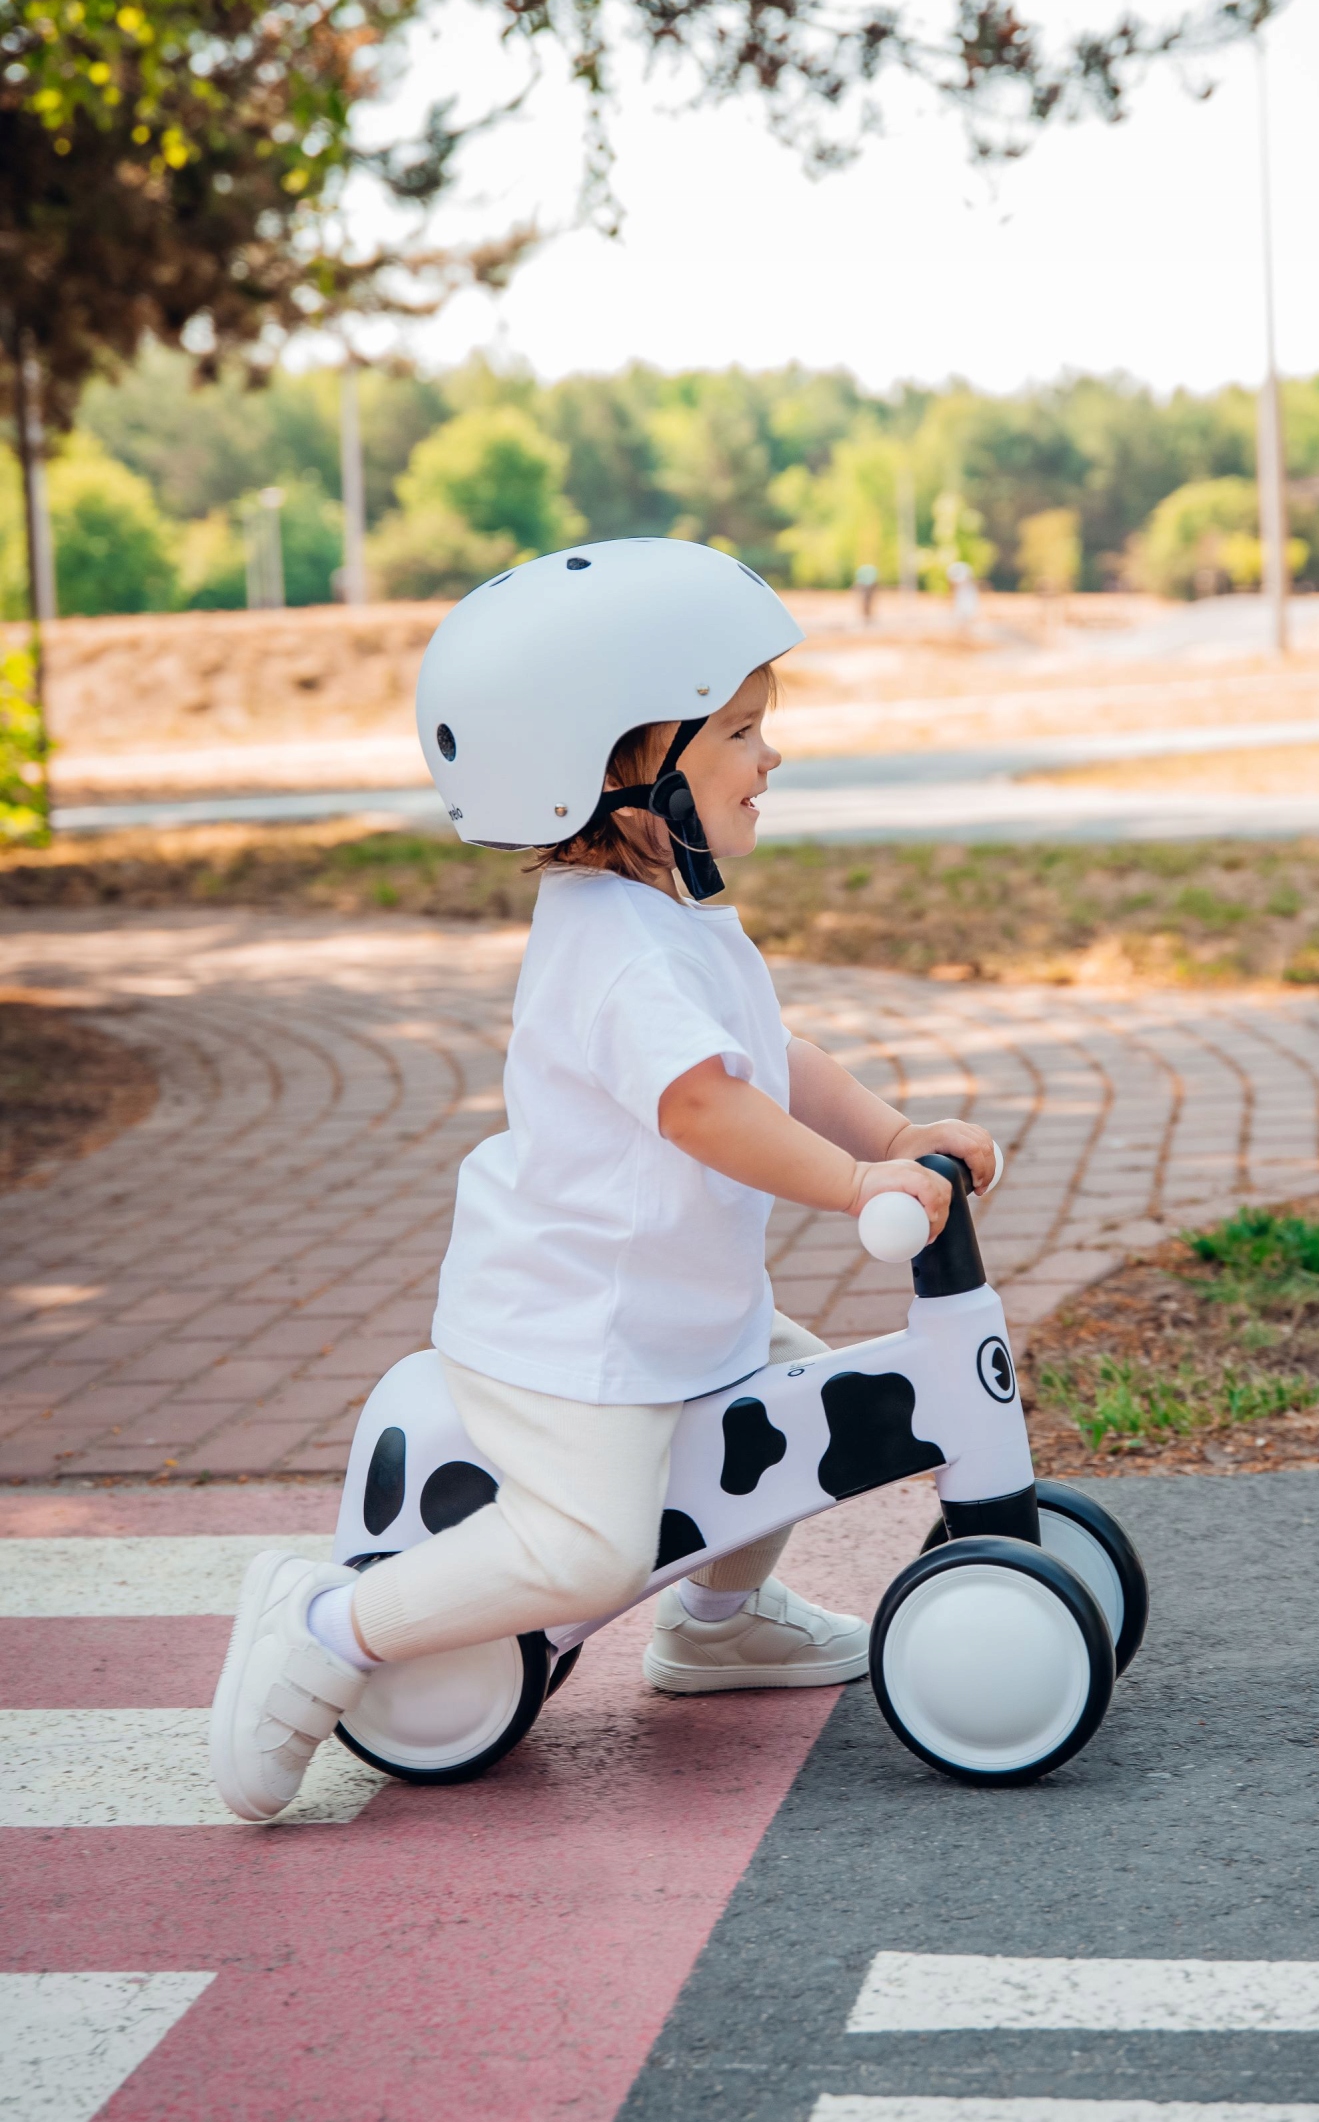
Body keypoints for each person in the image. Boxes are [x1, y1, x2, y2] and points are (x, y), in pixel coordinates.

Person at [210, 538, 996, 1823]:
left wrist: (897, 1130)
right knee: (588, 1548)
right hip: (569, 1332)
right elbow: (703, 1104)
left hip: (665, 1312)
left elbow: (769, 1055)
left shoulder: (677, 910)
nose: (771, 753)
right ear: (623, 768)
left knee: (793, 1410)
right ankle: (324, 1621)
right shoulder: (611, 947)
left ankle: (718, 1626)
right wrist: (859, 1185)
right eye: (740, 728)